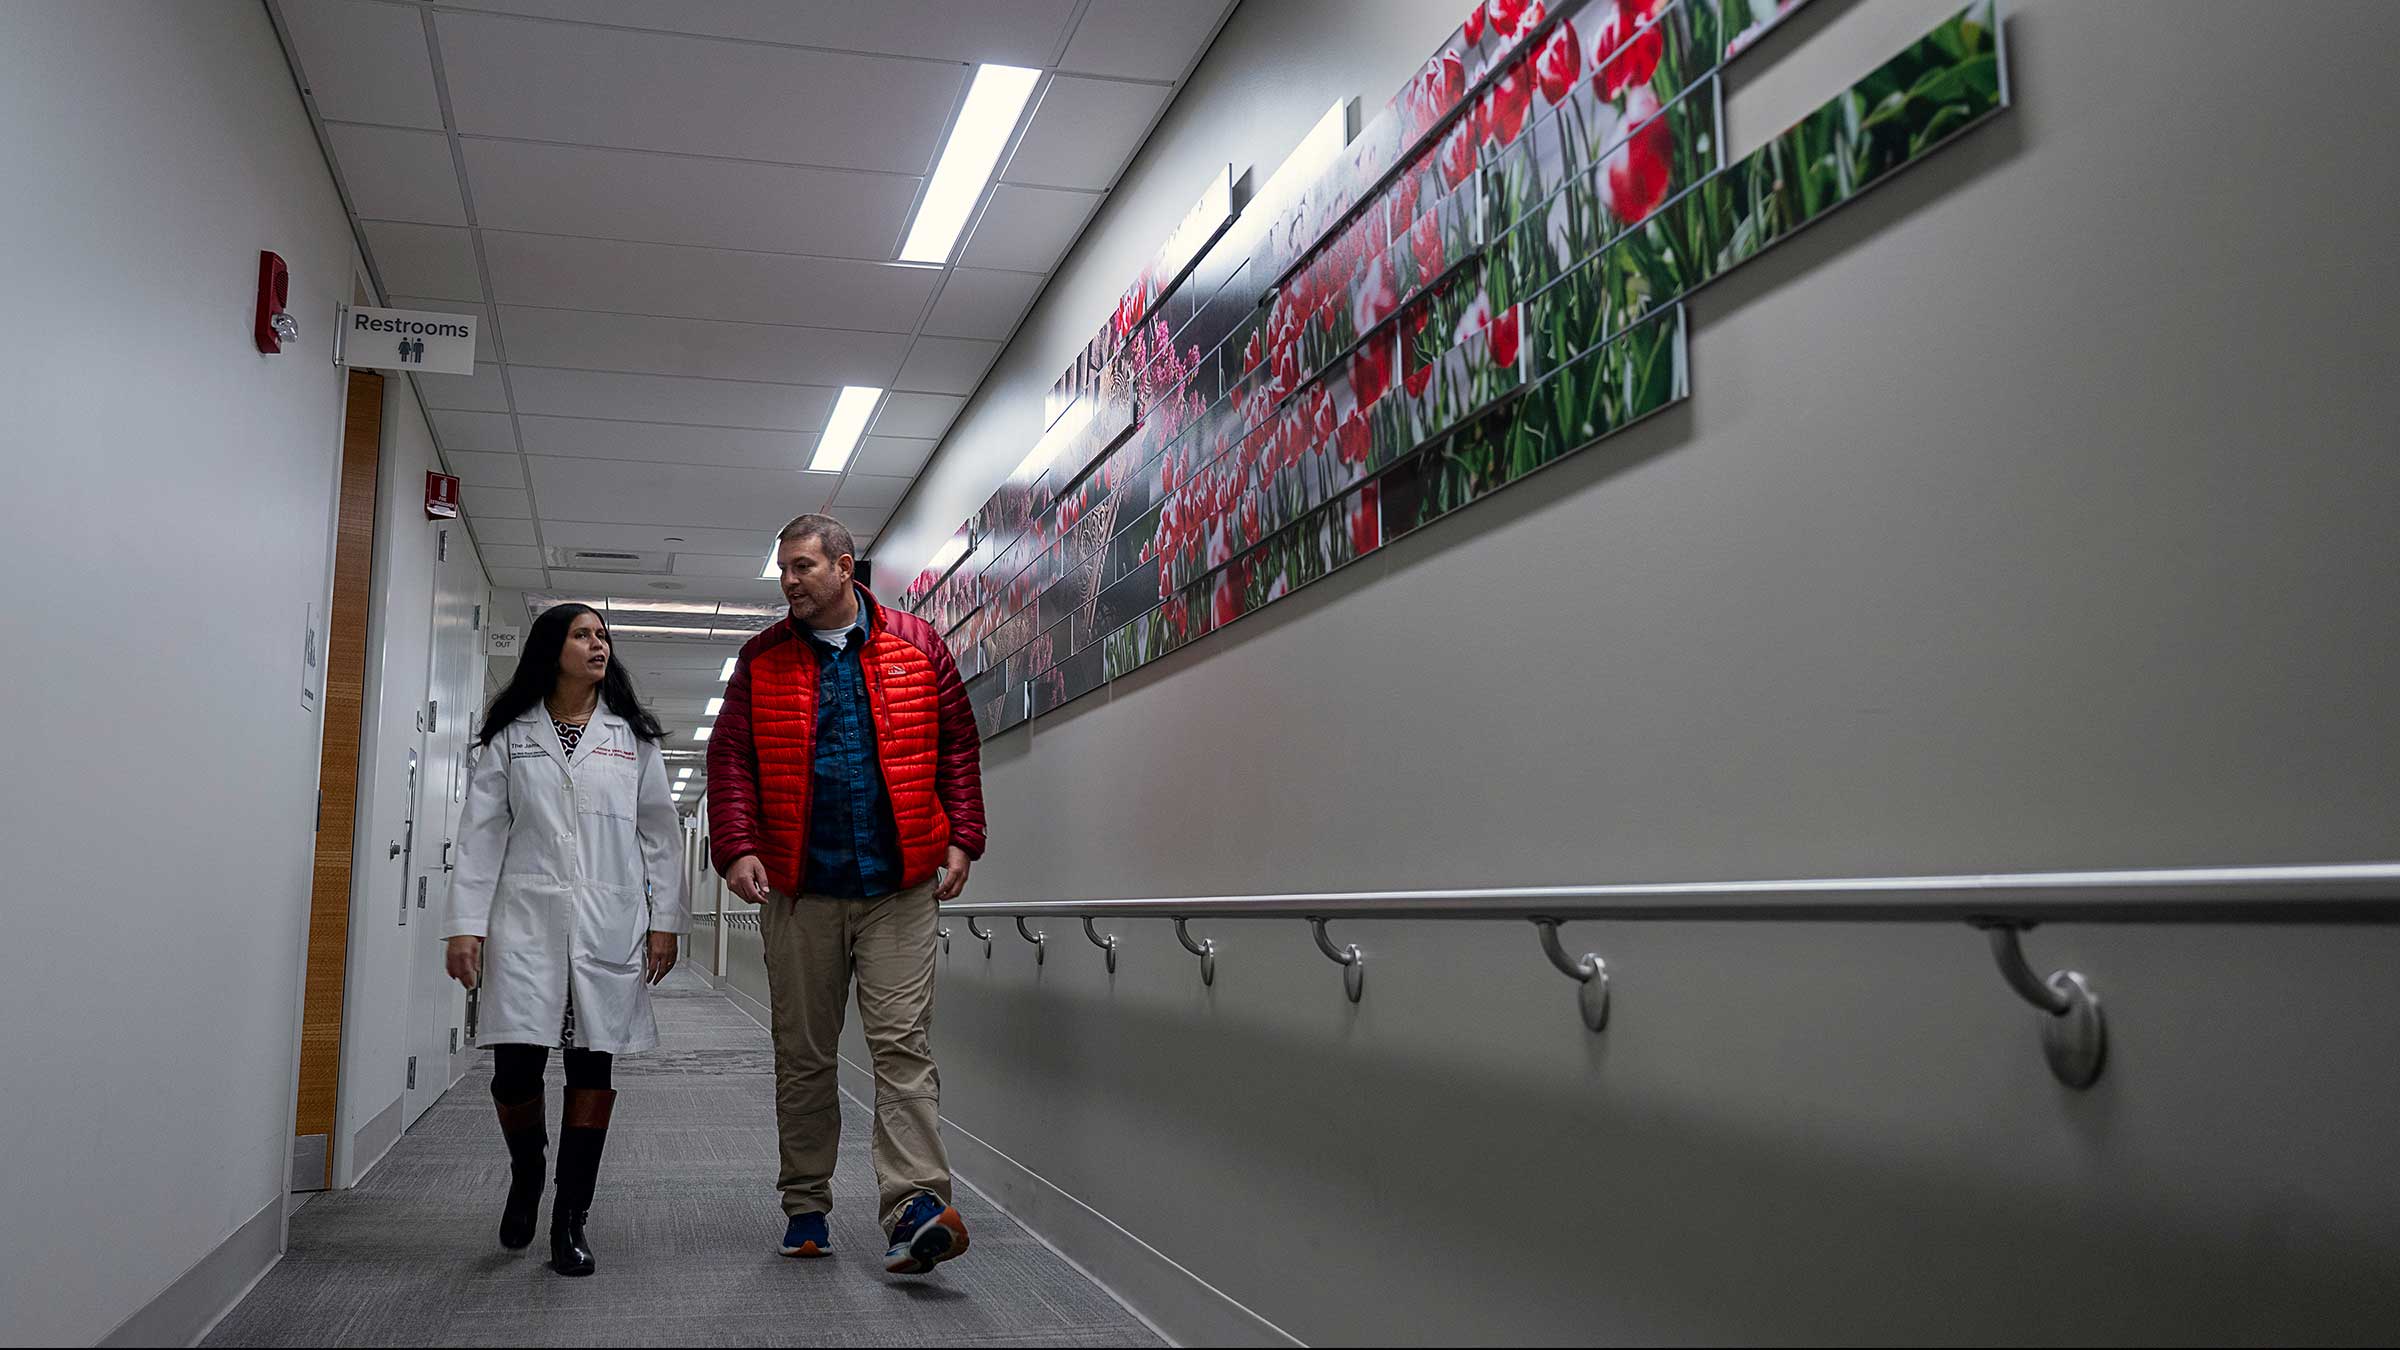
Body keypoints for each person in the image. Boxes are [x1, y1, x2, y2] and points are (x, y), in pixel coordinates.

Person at [707, 513, 986, 1275]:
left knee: (903, 1048)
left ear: (843, 565)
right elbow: (729, 761)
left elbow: (957, 745)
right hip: (802, 889)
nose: (789, 583)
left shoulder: (918, 645)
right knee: (804, 1055)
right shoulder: (761, 660)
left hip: (899, 885)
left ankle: (916, 1207)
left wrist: (964, 834)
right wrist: (734, 848)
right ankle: (806, 1205)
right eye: (783, 570)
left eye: (801, 567)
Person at [442, 602, 687, 1277]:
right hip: (525, 920)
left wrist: (665, 921)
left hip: (606, 924)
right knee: (515, 1068)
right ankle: (528, 1175)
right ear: (553, 648)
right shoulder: (511, 735)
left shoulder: (631, 737)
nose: (598, 645)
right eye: (583, 635)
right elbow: (481, 833)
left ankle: (569, 1217)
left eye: (603, 635)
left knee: (591, 1066)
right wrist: (465, 924)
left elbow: (661, 837)